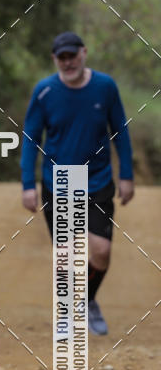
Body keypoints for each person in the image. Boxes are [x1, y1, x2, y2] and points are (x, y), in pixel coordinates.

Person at [21, 31, 134, 335]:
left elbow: (120, 132)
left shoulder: (105, 87)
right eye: (62, 58)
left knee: (101, 251)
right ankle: (67, 314)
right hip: (58, 181)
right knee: (67, 254)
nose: (68, 62)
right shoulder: (45, 91)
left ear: (84, 53)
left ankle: (88, 300)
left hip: (97, 180)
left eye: (72, 55)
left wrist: (126, 175)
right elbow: (31, 138)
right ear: (54, 59)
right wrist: (28, 183)